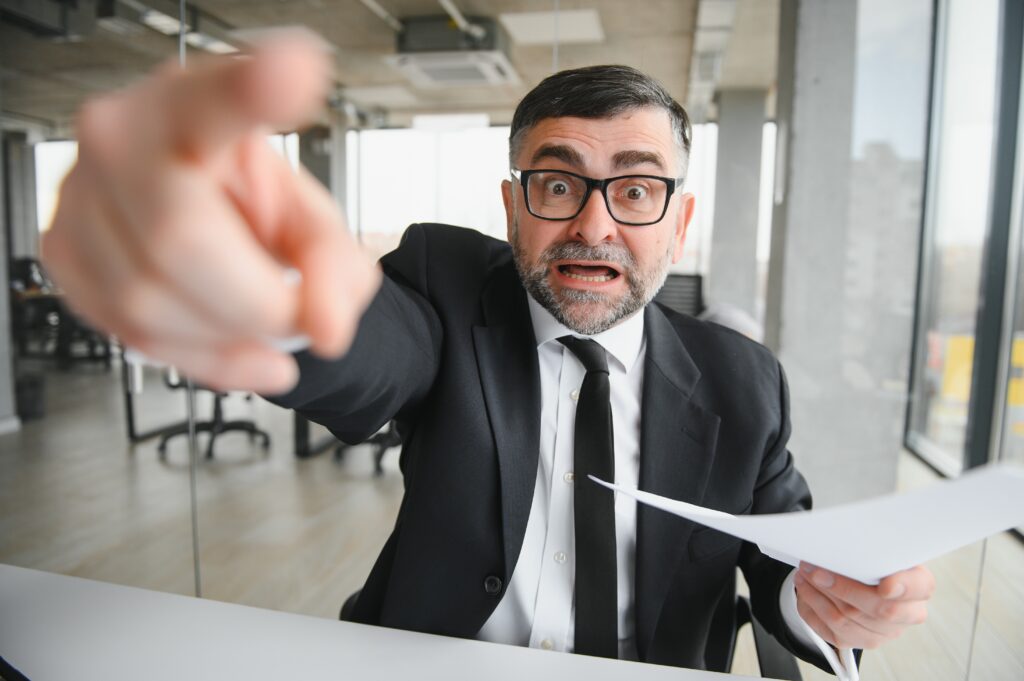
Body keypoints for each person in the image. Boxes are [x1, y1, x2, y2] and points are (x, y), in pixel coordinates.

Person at [43, 34, 933, 674]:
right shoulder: (448, 283)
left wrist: (825, 599)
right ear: (513, 209)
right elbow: (371, 342)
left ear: (680, 221)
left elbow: (785, 560)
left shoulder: (745, 381)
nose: (594, 223)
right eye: (557, 183)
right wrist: (259, 291)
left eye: (635, 188)